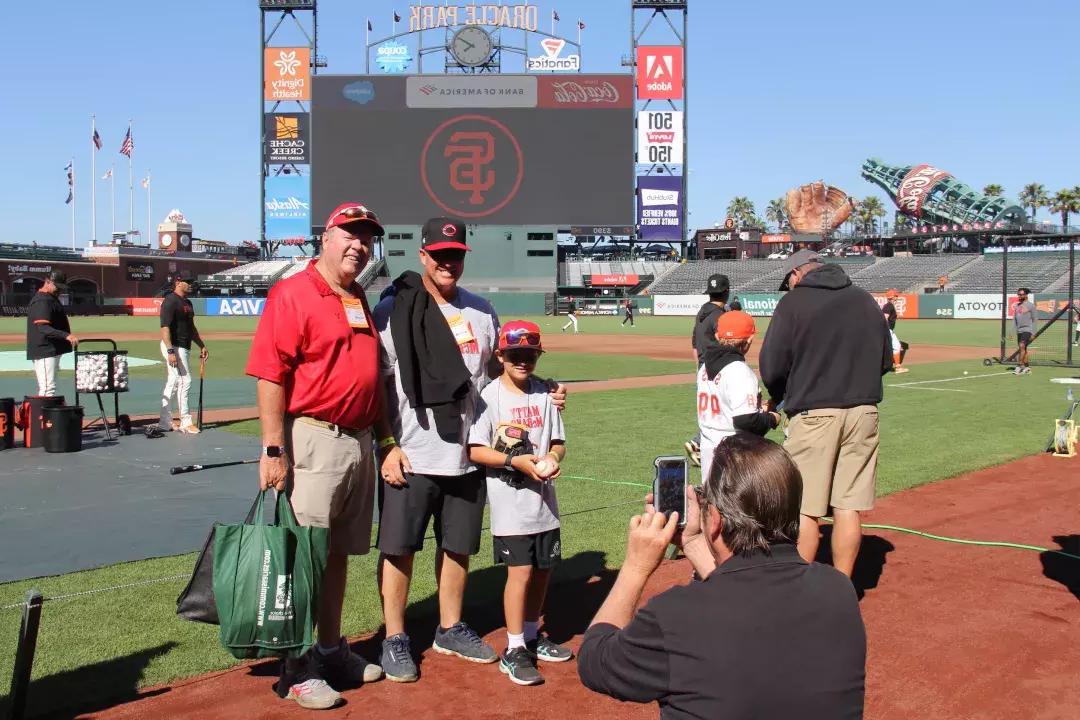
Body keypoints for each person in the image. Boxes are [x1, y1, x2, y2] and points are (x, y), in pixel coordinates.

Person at [373, 217, 567, 683]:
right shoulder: (391, 310)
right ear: (422, 256)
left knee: (458, 546)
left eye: (455, 254)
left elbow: (499, 378)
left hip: (468, 453)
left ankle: (449, 627)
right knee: (400, 548)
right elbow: (377, 384)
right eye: (439, 254)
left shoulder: (482, 312)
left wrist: (546, 389)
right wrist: (386, 444)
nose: (447, 262)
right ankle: (395, 636)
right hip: (413, 450)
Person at [578, 434, 866, 718]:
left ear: (713, 519)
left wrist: (635, 567)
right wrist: (692, 542)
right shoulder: (837, 589)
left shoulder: (676, 616)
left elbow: (594, 661)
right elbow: (747, 604)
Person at [245, 202, 389, 709]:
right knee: (302, 558)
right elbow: (269, 373)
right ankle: (297, 667)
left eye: (366, 238)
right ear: (325, 237)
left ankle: (329, 649)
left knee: (336, 557)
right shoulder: (294, 292)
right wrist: (272, 448)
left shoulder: (355, 297)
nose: (359, 244)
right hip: (312, 438)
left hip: (357, 442)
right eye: (349, 234)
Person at [759, 249, 891, 577]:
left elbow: (771, 366)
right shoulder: (864, 299)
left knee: (804, 508)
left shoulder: (794, 303)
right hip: (864, 412)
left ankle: (801, 594)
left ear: (796, 274)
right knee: (848, 506)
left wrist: (780, 396)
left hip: (814, 413)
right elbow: (886, 360)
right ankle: (842, 588)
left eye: (788, 281)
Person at [467, 321, 572, 686]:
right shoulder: (488, 397)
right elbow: (476, 449)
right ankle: (513, 649)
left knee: (544, 569)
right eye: (515, 355)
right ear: (501, 356)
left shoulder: (546, 393)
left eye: (530, 355)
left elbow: (558, 441)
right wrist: (515, 462)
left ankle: (530, 635)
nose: (523, 361)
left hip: (545, 503)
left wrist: (554, 458)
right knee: (521, 573)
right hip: (511, 505)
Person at [696, 310, 780, 479]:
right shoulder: (739, 371)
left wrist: (758, 409)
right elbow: (746, 421)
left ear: (718, 336)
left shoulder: (704, 366)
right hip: (732, 453)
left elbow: (727, 404)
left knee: (712, 500)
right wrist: (771, 418)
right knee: (733, 503)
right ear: (749, 340)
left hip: (708, 447)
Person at [686, 274, 730, 464]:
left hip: (703, 367)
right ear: (726, 292)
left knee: (710, 410)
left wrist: (700, 367)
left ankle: (699, 446)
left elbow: (695, 342)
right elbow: (727, 343)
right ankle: (698, 442)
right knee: (721, 410)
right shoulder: (721, 316)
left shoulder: (702, 312)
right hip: (718, 367)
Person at [159, 270, 208, 434]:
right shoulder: (170, 301)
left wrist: (201, 345)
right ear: (178, 282)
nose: (190, 284)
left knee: (173, 382)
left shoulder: (188, 302)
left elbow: (191, 328)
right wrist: (170, 350)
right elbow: (165, 327)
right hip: (174, 345)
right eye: (187, 281)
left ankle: (165, 422)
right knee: (185, 380)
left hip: (184, 345)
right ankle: (186, 422)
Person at [26, 271, 78, 396]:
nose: (59, 290)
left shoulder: (50, 298)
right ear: (48, 282)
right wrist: (66, 335)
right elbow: (43, 327)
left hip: (50, 349)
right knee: (47, 388)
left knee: (49, 387)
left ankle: (45, 415)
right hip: (45, 350)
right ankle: (43, 416)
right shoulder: (42, 301)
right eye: (57, 287)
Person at [882, 289, 910, 374]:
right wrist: (886, 331)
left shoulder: (888, 305)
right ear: (893, 297)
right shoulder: (889, 306)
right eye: (895, 296)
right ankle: (898, 367)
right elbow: (884, 318)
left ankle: (886, 365)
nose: (896, 297)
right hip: (887, 330)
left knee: (889, 347)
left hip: (887, 330)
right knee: (897, 346)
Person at [1013, 287, 1036, 375]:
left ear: (1026, 295)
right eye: (1019, 294)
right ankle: (1027, 368)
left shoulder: (1031, 305)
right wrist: (1012, 330)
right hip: (1019, 331)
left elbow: (1035, 319)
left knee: (1022, 346)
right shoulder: (1017, 306)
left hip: (1027, 330)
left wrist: (1033, 332)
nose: (1020, 296)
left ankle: (1019, 366)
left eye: (1021, 294)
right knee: (1023, 349)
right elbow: (1015, 319)